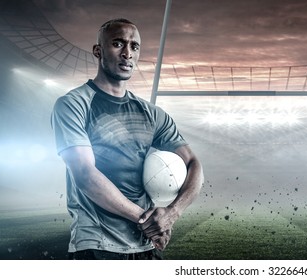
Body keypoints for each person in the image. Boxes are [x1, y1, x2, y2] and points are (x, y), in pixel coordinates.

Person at [51, 18, 204, 260]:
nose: (127, 54)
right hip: (96, 245)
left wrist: (172, 214)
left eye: (134, 47)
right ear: (98, 51)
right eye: (118, 43)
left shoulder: (152, 114)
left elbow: (193, 164)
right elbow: (84, 174)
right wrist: (146, 220)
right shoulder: (73, 105)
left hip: (144, 246)